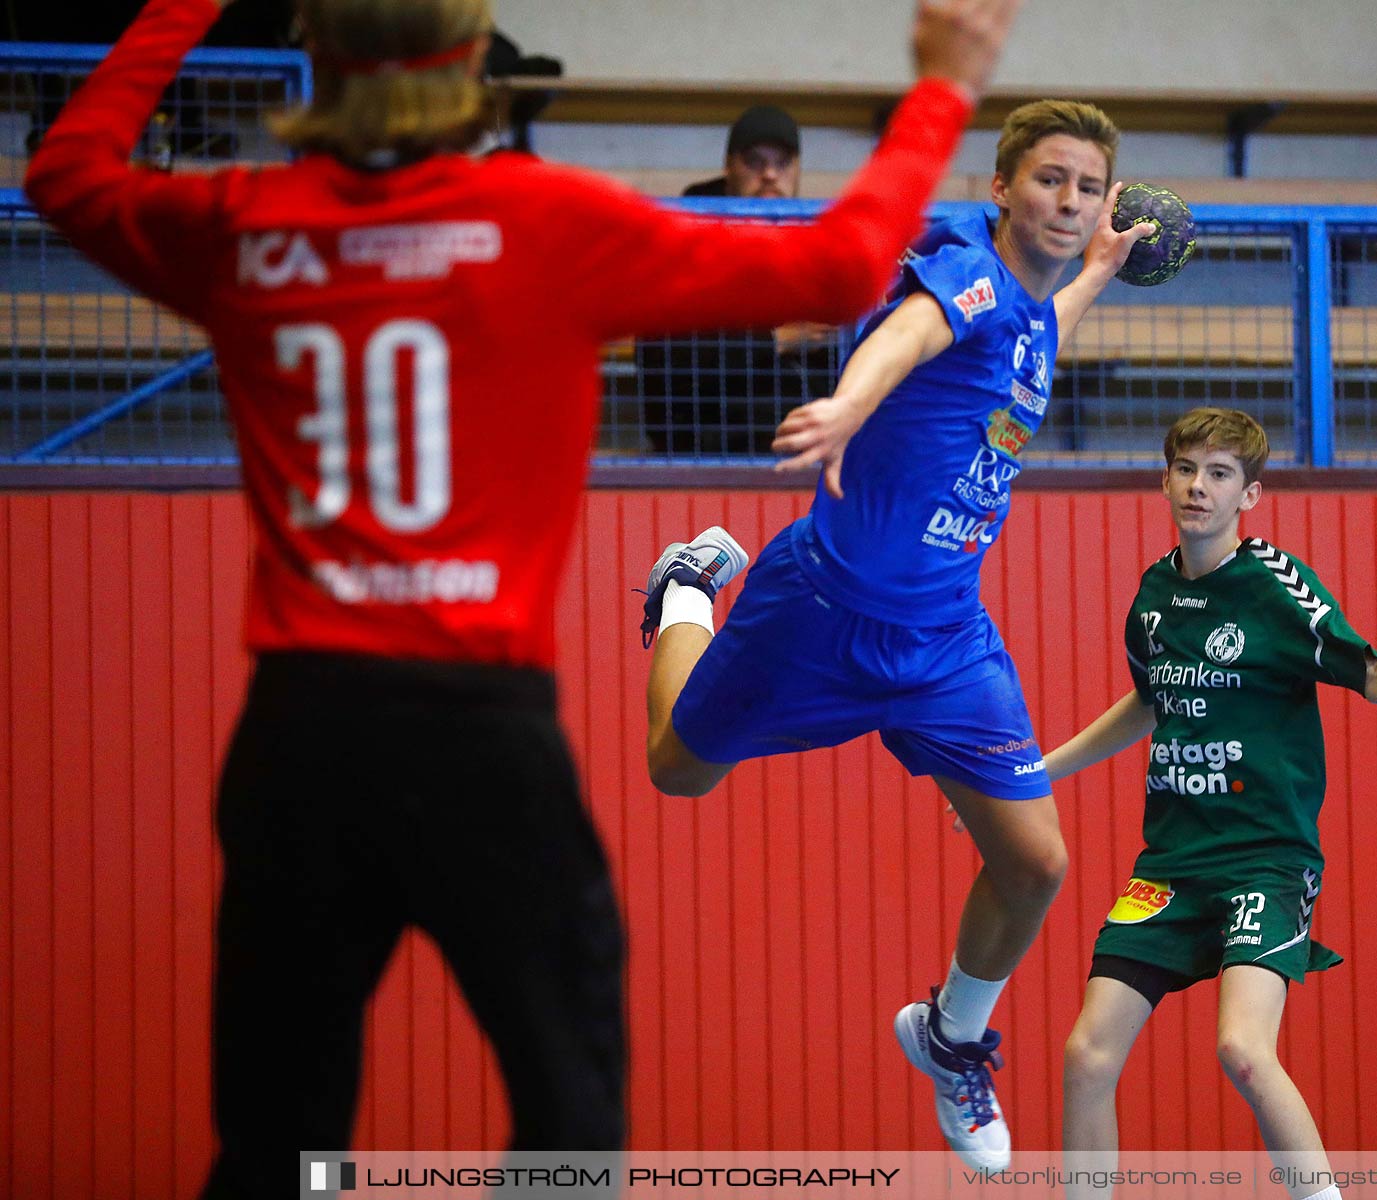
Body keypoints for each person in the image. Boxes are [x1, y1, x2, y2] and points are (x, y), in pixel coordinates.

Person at [23, 0, 1019, 1193]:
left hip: (302, 735)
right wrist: (941, 82)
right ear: (471, 70)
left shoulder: (245, 226)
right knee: (567, 1115)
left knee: (276, 1137)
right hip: (480, 738)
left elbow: (66, 172)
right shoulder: (539, 221)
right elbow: (841, 263)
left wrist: (180, 9)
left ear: (314, 53)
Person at [637, 100, 1157, 1171]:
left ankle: (952, 1038)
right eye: (1051, 179)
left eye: (1089, 186)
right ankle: (690, 591)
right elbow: (918, 331)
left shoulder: (1035, 313)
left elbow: (1039, 327)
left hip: (945, 645)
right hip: (819, 615)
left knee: (1035, 865)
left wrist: (1098, 266)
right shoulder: (969, 271)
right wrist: (844, 404)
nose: (1069, 201)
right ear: (1004, 187)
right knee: (677, 771)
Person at [1046, 408, 1377, 1200]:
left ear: (1249, 495)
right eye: (1187, 469)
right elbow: (1150, 703)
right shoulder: (1154, 595)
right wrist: (1040, 771)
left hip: (1266, 858)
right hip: (1172, 865)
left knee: (1244, 1051)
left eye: (1219, 475)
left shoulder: (1275, 588)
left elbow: (1367, 666)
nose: (1199, 487)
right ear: (1166, 480)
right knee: (1086, 1055)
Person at [638, 104, 836, 455]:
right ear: (729, 166)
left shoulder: (810, 244)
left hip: (803, 443)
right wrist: (775, 340)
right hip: (707, 444)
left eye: (783, 162)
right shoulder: (682, 242)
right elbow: (670, 367)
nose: (770, 174)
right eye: (755, 161)